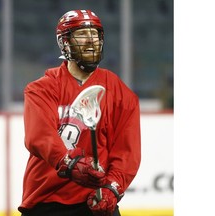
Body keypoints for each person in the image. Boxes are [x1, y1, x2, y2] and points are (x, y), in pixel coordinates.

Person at [18, 9, 141, 216]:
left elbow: (127, 152)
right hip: (46, 201)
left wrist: (112, 188)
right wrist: (70, 162)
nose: (91, 40)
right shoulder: (41, 89)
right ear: (64, 42)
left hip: (95, 201)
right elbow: (39, 137)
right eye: (82, 34)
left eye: (95, 34)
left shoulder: (120, 93)